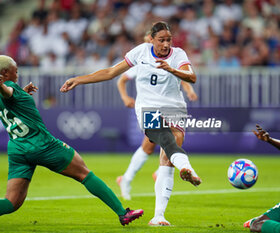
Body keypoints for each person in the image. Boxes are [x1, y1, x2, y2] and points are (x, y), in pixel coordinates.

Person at [60, 21, 202, 226]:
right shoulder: (141, 52)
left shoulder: (178, 54)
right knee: (166, 140)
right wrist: (79, 79)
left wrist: (172, 69)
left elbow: (192, 77)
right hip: (148, 108)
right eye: (161, 40)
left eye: (168, 40)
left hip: (174, 107)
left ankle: (159, 216)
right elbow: (111, 73)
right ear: (151, 39)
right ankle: (188, 169)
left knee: (169, 156)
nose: (165, 44)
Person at [0, 55, 143, 226]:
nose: (18, 73)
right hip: (42, 145)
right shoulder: (7, 88)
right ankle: (123, 213)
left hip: (17, 149)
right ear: (5, 73)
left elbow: (10, 101)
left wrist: (20, 91)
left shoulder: (10, 92)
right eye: (15, 70)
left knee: (11, 202)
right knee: (84, 173)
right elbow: (7, 92)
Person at [116, 55, 198, 201]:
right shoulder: (142, 61)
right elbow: (121, 79)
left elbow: (180, 76)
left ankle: (131, 178)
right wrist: (125, 97)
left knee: (159, 144)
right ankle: (157, 172)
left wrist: (189, 89)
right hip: (151, 109)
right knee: (156, 145)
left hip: (169, 108)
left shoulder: (171, 59)